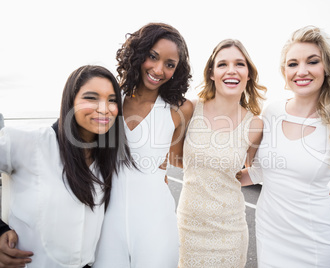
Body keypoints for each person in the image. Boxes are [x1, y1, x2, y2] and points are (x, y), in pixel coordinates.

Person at [237, 25, 330, 267]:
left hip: (317, 247)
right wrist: (208, 176)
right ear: (284, 71)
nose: (302, 71)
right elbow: (260, 171)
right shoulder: (272, 112)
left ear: (327, 67)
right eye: (293, 64)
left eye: (312, 61)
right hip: (269, 238)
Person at [0, 65, 133, 268]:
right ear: (70, 101)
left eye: (112, 100)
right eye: (91, 97)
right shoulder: (27, 142)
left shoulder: (108, 157)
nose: (104, 108)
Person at [92, 22, 193, 268]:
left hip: (156, 221)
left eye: (170, 65)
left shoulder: (181, 109)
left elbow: (173, 157)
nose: (159, 70)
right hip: (106, 221)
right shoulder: (112, 99)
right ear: (139, 54)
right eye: (153, 57)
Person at [176, 39, 267, 268]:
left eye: (239, 64)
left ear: (248, 74)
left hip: (230, 234)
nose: (231, 70)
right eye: (222, 64)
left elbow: (258, 169)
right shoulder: (189, 108)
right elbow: (173, 157)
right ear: (212, 73)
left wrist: (303, 184)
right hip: (188, 229)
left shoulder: (254, 125)